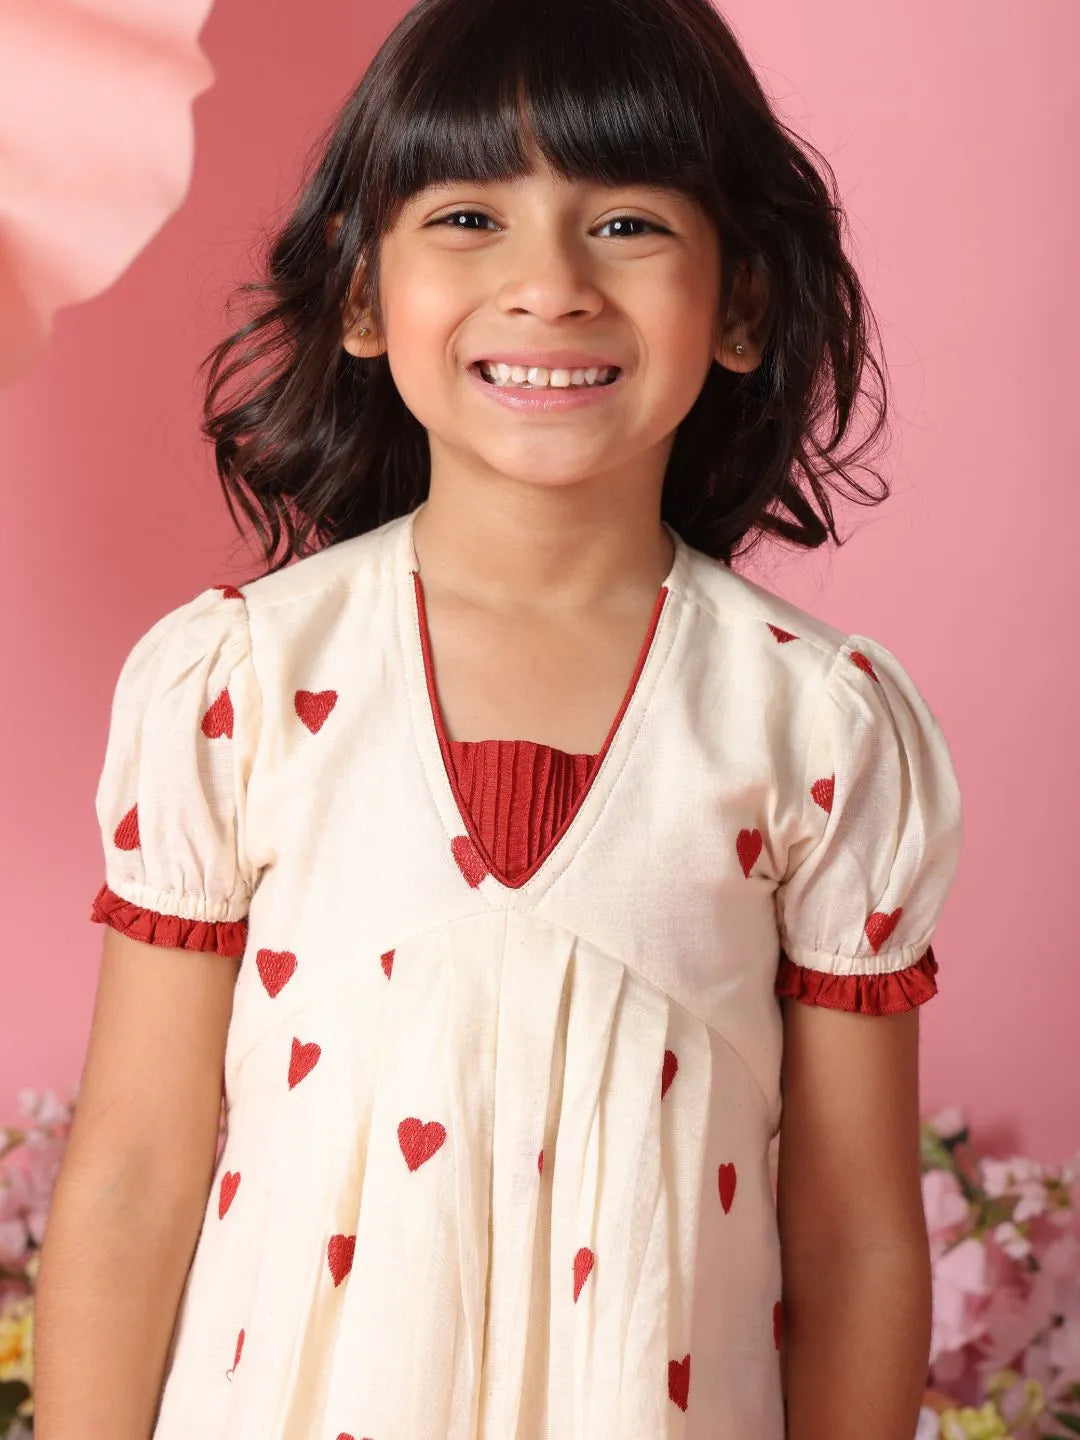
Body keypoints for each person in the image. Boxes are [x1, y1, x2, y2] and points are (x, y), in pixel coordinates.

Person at [33, 0, 964, 1435]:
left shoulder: (815, 725)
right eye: (469, 217)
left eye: (629, 224)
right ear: (359, 297)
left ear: (743, 307)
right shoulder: (237, 689)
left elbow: (850, 1240)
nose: (550, 286)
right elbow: (136, 1175)